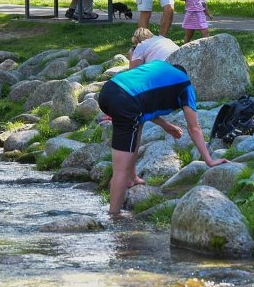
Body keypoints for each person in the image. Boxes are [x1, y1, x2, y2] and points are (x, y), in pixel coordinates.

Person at [98, 61, 228, 216]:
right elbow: (194, 128)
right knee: (120, 169)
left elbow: (142, 103)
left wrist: (166, 125)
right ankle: (114, 216)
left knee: (136, 124)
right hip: (126, 101)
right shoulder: (185, 84)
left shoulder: (159, 68)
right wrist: (209, 160)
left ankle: (132, 176)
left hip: (108, 91)